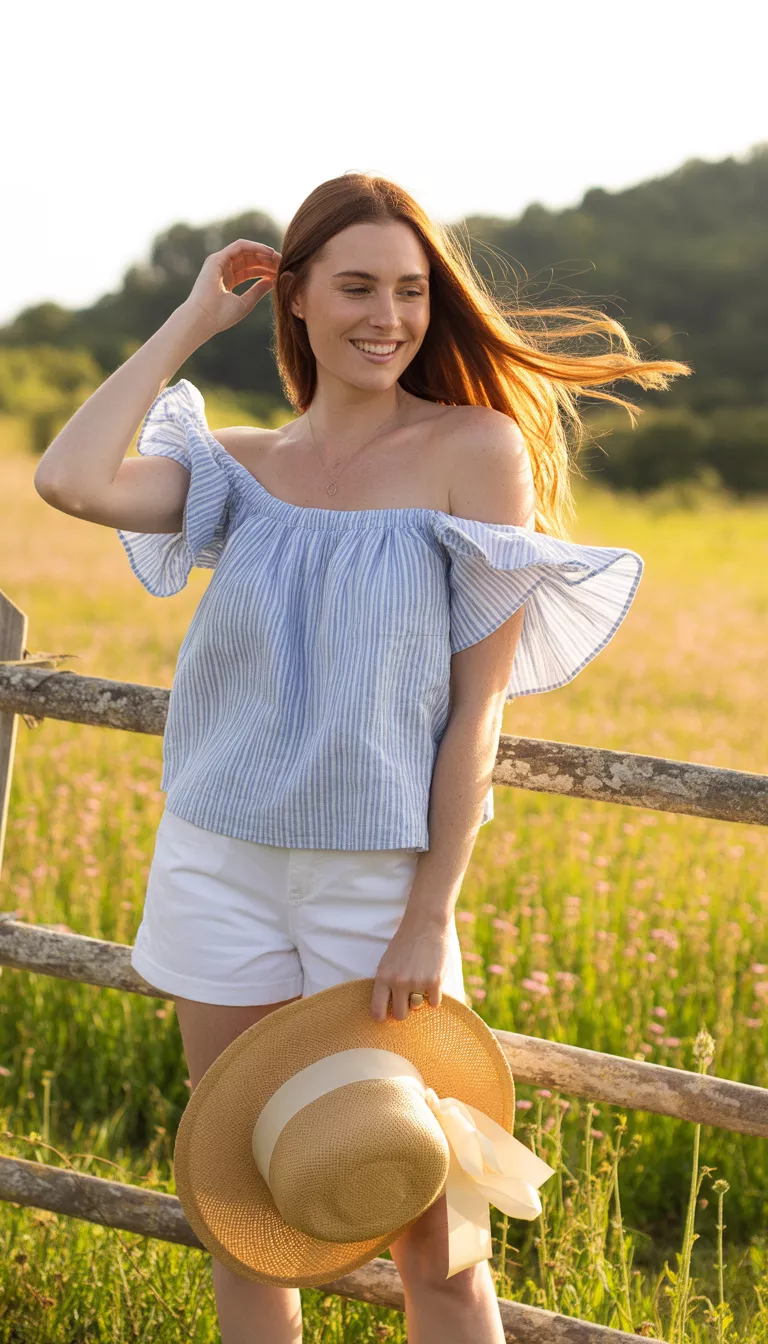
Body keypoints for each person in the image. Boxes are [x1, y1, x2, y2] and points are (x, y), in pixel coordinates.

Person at [33, 172, 690, 1344]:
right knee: (248, 1209)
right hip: (216, 863)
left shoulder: (472, 449)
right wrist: (192, 320)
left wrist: (429, 910)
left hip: (376, 881)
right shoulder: (234, 466)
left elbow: (475, 712)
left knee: (437, 1237)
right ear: (293, 299)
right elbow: (70, 480)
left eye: (410, 290)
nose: (386, 317)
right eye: (355, 288)